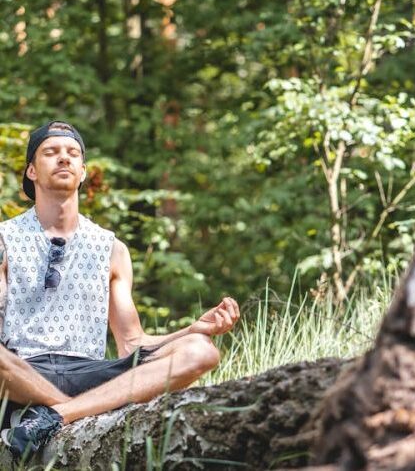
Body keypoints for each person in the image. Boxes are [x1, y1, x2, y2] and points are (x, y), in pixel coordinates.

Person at [0, 120, 240, 459]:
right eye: (51, 152)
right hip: (22, 372)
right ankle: (63, 410)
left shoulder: (111, 249)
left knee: (201, 350)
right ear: (32, 171)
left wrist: (193, 329)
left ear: (83, 172)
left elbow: (131, 343)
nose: (64, 159)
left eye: (73, 154)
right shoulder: (4, 239)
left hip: (89, 371)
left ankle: (54, 417)